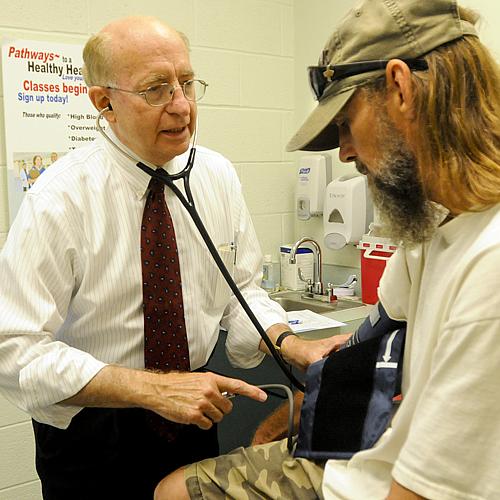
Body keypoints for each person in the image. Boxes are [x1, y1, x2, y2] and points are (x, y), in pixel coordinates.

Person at [155, 0, 500, 498]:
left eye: (345, 123)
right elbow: (378, 342)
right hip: (367, 459)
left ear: (400, 88)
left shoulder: (487, 264)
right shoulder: (433, 225)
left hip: (385, 482)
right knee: (172, 489)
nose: (345, 152)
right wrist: (304, 407)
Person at [0, 16, 347, 500]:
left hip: (194, 415)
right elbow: (15, 351)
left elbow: (241, 292)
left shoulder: (216, 176)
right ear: (105, 103)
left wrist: (289, 343)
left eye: (186, 83)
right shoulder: (60, 198)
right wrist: (151, 390)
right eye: (156, 90)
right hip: (94, 432)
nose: (181, 106)